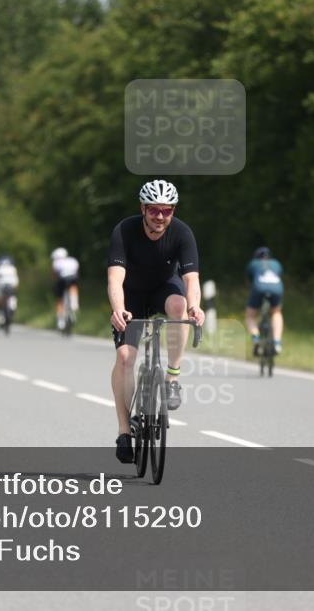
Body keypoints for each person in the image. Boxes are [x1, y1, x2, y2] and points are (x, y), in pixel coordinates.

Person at [108, 179, 205, 464]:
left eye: (166, 210)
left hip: (165, 288)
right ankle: (124, 431)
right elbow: (115, 279)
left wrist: (195, 307)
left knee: (179, 305)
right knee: (125, 358)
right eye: (154, 210)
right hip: (132, 294)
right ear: (143, 209)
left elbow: (191, 280)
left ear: (173, 211)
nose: (160, 216)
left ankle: (172, 377)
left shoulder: (182, 233)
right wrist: (118, 309)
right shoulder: (124, 231)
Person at [245, 247, 285, 355]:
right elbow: (280, 275)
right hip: (276, 288)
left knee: (250, 316)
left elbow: (250, 280)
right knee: (276, 312)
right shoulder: (276, 263)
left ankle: (256, 338)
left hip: (259, 288)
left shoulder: (253, 263)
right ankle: (277, 342)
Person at [51, 247, 80, 331]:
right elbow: (77, 273)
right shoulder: (73, 261)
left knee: (59, 299)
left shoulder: (56, 262)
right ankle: (74, 303)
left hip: (62, 280)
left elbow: (54, 275)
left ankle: (60, 320)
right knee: (73, 287)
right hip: (73, 278)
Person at [0, 254, 20, 325]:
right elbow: (16, 281)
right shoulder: (13, 268)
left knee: (0, 298)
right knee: (13, 298)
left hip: (1, 286)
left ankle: (1, 315)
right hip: (11, 286)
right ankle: (11, 310)